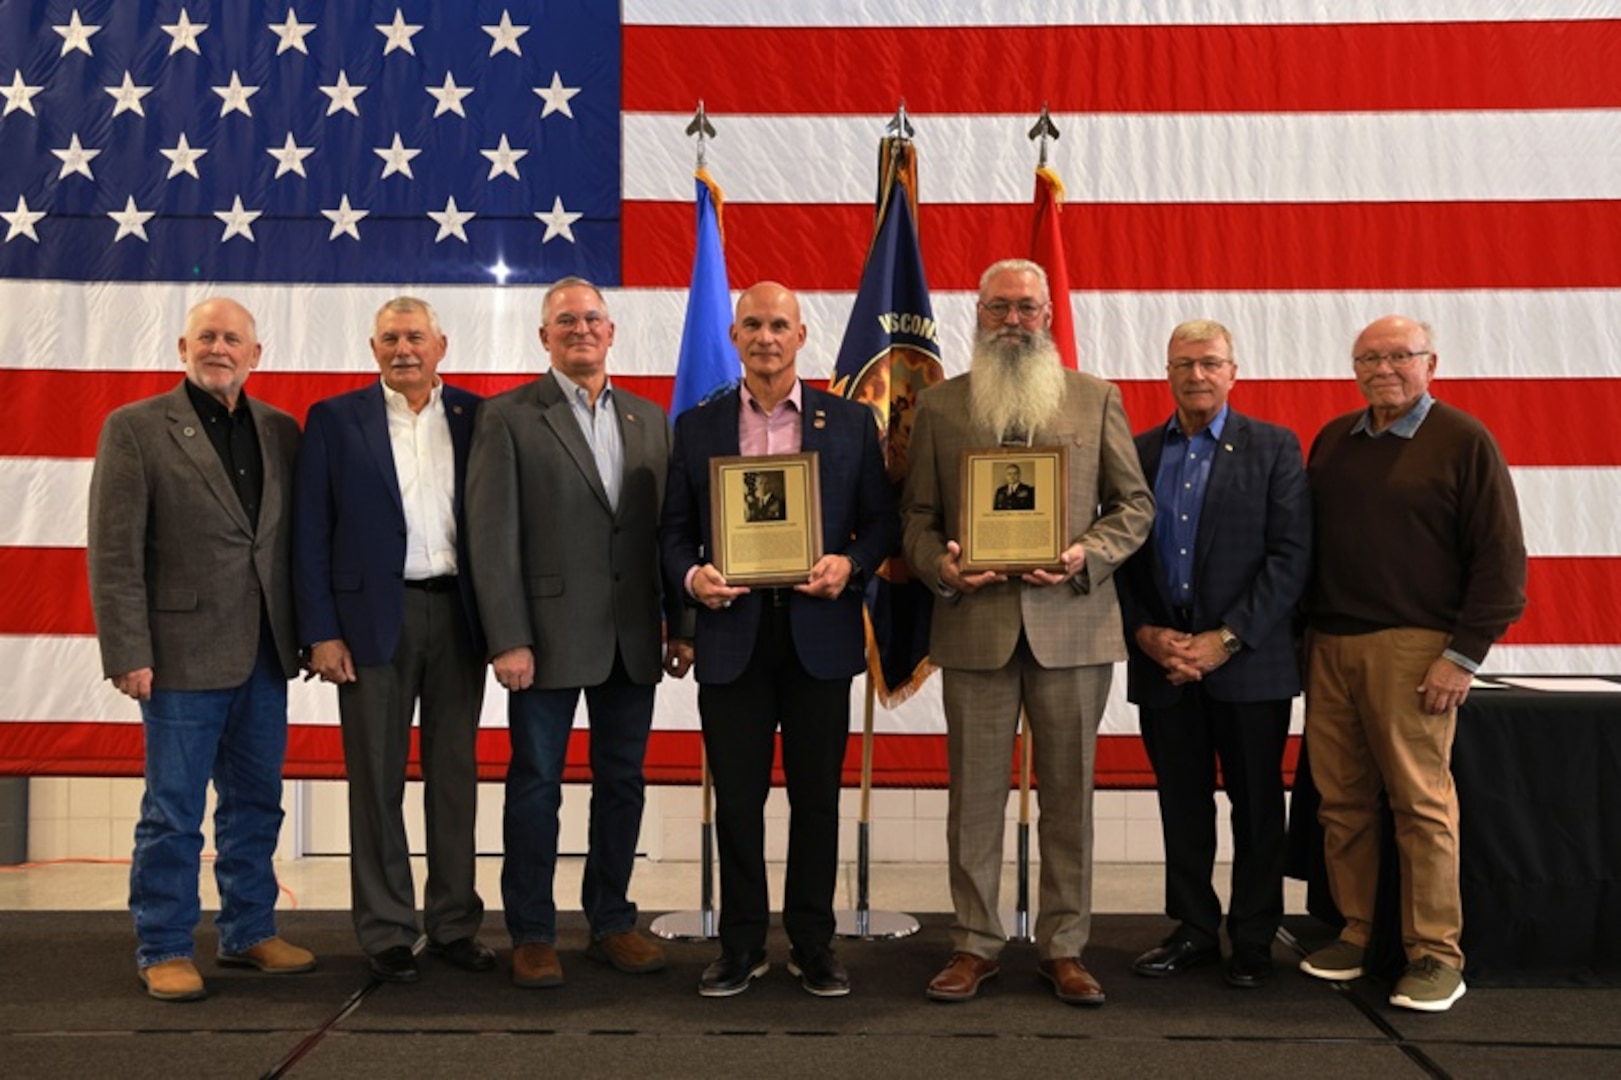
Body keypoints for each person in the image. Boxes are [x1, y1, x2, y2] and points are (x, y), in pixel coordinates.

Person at [901, 258, 1153, 1006]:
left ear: (1048, 314)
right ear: (976, 314)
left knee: (1069, 797)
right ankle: (973, 944)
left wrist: (1087, 556)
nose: (1013, 320)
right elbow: (915, 519)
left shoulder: (1094, 399)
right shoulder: (942, 408)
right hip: (974, 625)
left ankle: (1064, 946)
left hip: (1071, 626)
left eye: (1027, 308)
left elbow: (1132, 507)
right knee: (973, 798)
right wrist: (943, 567)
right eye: (999, 308)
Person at [660, 281, 897, 998]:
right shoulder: (696, 428)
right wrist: (692, 578)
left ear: (802, 336)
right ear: (733, 337)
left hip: (818, 636)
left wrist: (848, 564)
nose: (766, 337)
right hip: (731, 637)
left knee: (816, 799)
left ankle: (812, 944)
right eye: (752, 325)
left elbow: (881, 525)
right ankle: (739, 945)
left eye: (779, 325)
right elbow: (671, 533)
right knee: (736, 800)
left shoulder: (850, 423)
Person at [87, 297, 315, 1002]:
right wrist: (128, 649)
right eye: (207, 337)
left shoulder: (282, 432)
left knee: (256, 803)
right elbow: (114, 550)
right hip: (178, 655)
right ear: (183, 347)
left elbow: (290, 547)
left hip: (265, 655)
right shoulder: (135, 429)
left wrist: (303, 634)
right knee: (173, 811)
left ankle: (248, 931)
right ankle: (162, 943)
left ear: (257, 354)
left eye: (232, 339)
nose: (220, 348)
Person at [1298, 316, 1526, 1013]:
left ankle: (1434, 955)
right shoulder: (1334, 440)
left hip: (1414, 651)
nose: (1382, 367)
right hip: (1328, 648)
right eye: (1368, 357)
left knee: (1420, 807)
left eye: (1399, 355)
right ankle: (1359, 931)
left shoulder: (1462, 440)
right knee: (1339, 804)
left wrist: (1459, 658)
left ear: (1430, 361)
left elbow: (1500, 564)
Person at [466, 277, 686, 990]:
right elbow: (490, 537)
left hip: (632, 637)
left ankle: (612, 920)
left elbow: (669, 534)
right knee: (536, 786)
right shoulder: (507, 417)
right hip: (544, 638)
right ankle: (531, 931)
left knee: (621, 782)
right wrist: (507, 638)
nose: (581, 329)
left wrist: (679, 627)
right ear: (544, 337)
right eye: (566, 320)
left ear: (612, 331)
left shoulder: (649, 419)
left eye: (592, 318)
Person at [293, 296, 492, 983]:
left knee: (454, 779)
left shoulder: (477, 417)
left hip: (458, 618)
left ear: (442, 344)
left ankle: (454, 925)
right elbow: (309, 534)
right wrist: (319, 632)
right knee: (374, 781)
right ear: (372, 348)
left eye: (415, 337)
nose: (403, 348)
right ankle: (385, 930)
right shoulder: (334, 420)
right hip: (369, 625)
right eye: (389, 339)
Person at [1116, 320, 1311, 989]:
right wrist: (1142, 633)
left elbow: (1291, 560)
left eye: (1208, 363)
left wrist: (1222, 641)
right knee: (1181, 803)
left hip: (1247, 664)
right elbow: (1118, 562)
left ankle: (1253, 935)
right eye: (1182, 364)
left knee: (1257, 805)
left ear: (1233, 371)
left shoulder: (1274, 448)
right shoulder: (1136, 453)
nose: (1195, 375)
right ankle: (1193, 928)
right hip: (1160, 661)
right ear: (1164, 373)